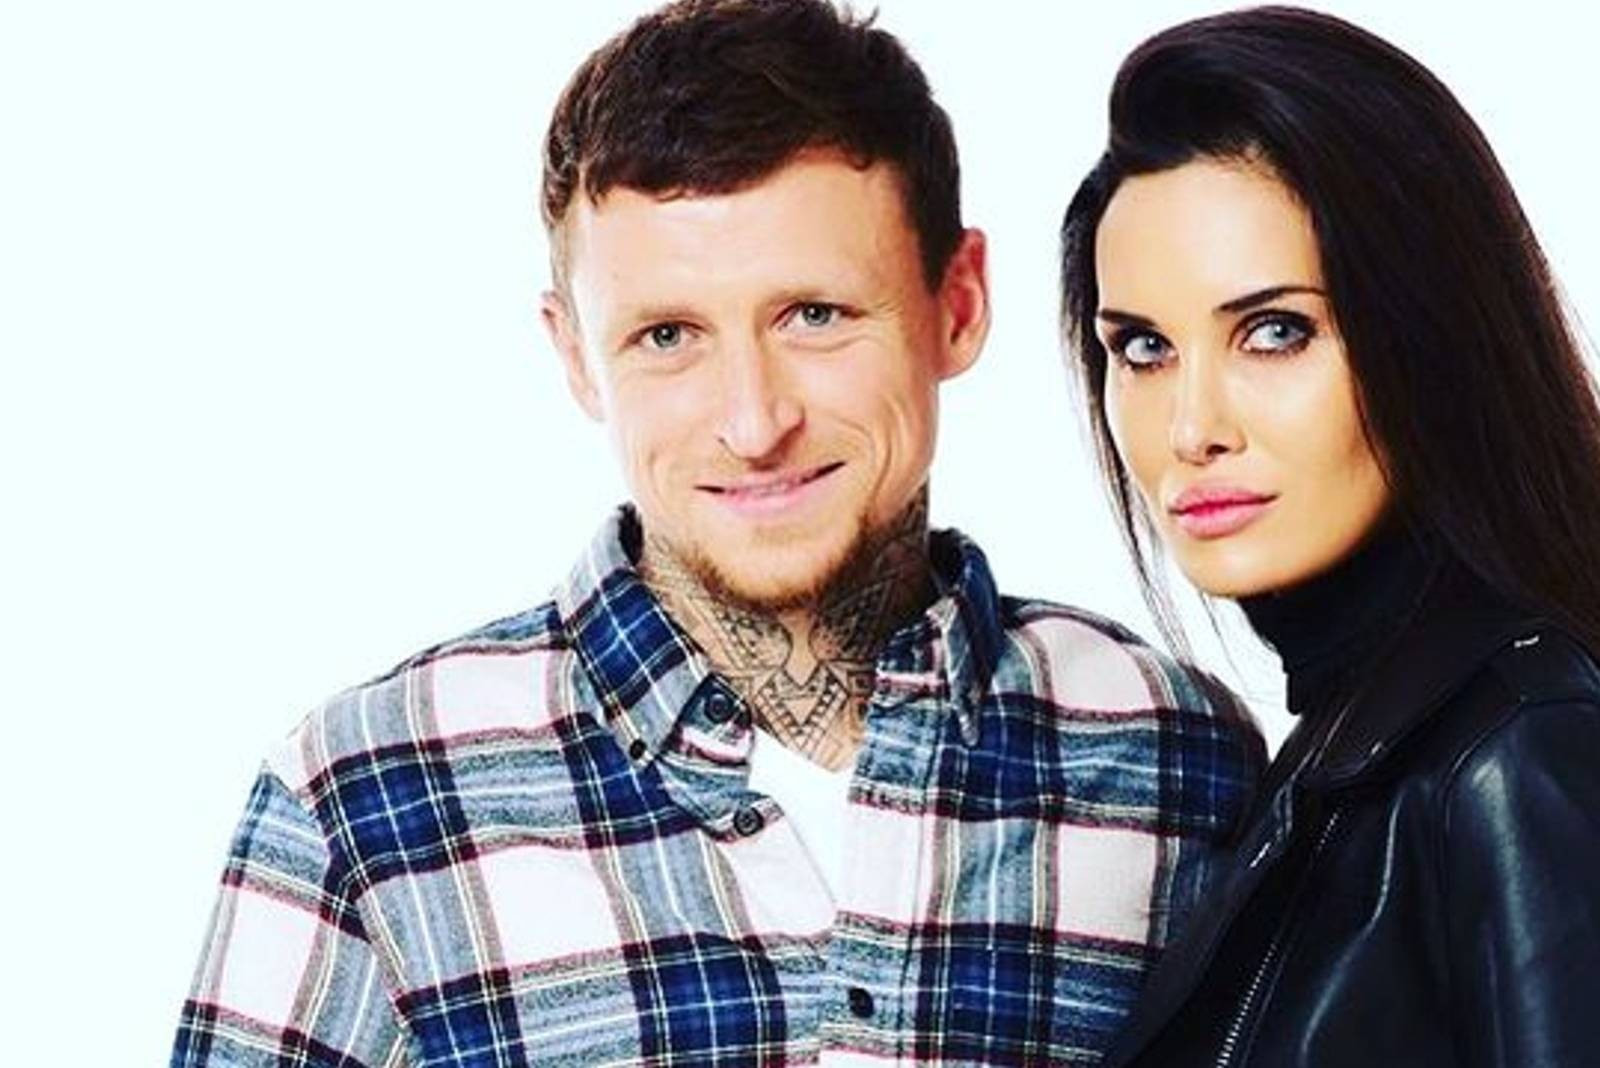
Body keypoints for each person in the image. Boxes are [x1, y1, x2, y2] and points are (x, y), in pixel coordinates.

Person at [169, 2, 1265, 1064]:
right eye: (667, 336)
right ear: (575, 357)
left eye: (815, 316)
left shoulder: (1169, 754)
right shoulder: (360, 798)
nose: (753, 423)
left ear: (959, 304)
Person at [1057, 7, 1600, 1066]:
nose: (1192, 428)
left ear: (1428, 338)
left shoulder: (1524, 749)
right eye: (1144, 348)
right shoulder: (1345, 764)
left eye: (1275, 332)